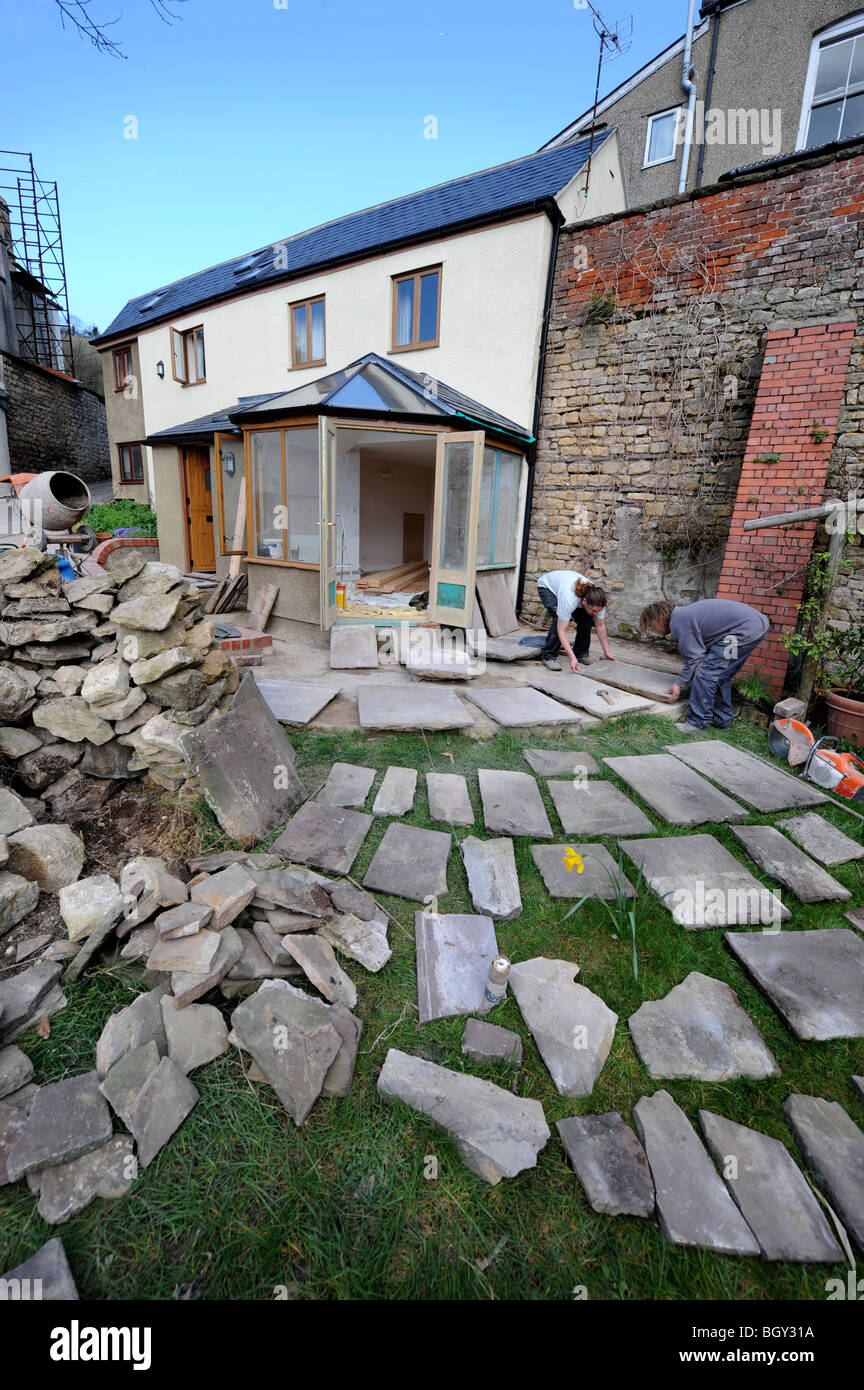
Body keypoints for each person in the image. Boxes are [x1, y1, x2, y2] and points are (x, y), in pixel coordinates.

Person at [639, 597, 770, 732]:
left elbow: (694, 658)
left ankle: (698, 723)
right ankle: (721, 720)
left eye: (653, 626)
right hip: (755, 626)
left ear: (659, 617)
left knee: (706, 672)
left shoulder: (678, 622)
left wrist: (679, 683)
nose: (655, 631)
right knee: (720, 675)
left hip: (744, 629)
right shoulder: (685, 615)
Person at [536, 570, 615, 672]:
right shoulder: (570, 599)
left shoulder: (598, 601)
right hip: (547, 587)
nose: (596, 613)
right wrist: (571, 657)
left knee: (587, 620)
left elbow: (600, 626)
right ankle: (549, 656)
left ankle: (581, 654)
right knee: (558, 617)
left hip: (566, 586)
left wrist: (606, 652)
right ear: (585, 602)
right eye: (594, 610)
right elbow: (561, 629)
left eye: (598, 611)